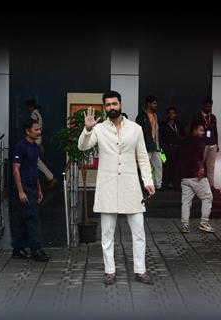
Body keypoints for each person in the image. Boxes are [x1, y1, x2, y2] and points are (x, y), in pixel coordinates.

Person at [78, 90, 155, 286]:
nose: (111, 107)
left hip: (131, 187)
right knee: (107, 233)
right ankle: (109, 271)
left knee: (138, 231)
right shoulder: (99, 129)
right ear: (104, 107)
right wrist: (87, 130)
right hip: (108, 187)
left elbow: (143, 158)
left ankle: (140, 270)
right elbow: (82, 147)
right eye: (108, 105)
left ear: (120, 104)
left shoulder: (135, 129)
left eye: (114, 103)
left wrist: (148, 181)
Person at [11, 119, 50, 262]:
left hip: (33, 186)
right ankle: (36, 250)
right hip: (24, 186)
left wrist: (39, 189)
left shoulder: (34, 146)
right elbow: (15, 169)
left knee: (24, 218)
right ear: (28, 131)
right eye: (36, 130)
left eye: (40, 129)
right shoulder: (20, 146)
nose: (39, 132)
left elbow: (34, 167)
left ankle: (18, 249)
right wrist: (21, 191)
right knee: (32, 218)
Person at [179, 123, 214, 233]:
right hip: (196, 176)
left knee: (186, 202)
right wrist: (201, 170)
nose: (203, 133)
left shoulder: (183, 141)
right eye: (201, 130)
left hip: (184, 177)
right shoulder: (199, 142)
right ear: (194, 130)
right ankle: (204, 223)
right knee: (207, 197)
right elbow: (200, 157)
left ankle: (185, 225)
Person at [190, 97, 221, 194]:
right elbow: (193, 131)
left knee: (211, 167)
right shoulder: (197, 117)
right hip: (201, 144)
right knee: (198, 165)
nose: (209, 107)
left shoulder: (213, 117)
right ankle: (196, 187)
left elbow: (215, 131)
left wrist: (217, 143)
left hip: (212, 144)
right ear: (203, 105)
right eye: (207, 106)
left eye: (210, 106)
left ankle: (210, 186)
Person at [25, 99, 58, 189]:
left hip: (35, 138)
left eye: (28, 107)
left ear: (31, 107)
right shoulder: (37, 114)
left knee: (35, 160)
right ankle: (49, 178)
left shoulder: (34, 115)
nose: (27, 109)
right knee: (34, 160)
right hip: (37, 138)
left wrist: (33, 140)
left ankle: (50, 178)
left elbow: (34, 130)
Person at [136, 95, 162, 190]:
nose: (156, 105)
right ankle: (145, 184)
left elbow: (157, 131)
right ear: (148, 104)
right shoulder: (141, 116)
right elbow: (138, 132)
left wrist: (159, 145)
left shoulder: (155, 116)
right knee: (145, 166)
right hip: (145, 146)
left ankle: (158, 185)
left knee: (159, 165)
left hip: (156, 146)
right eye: (154, 103)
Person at [159, 106, 185, 191]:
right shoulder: (163, 124)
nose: (171, 114)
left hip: (177, 148)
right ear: (167, 114)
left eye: (173, 113)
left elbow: (183, 135)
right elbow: (160, 137)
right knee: (165, 166)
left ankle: (176, 185)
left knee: (176, 167)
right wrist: (161, 148)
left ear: (176, 114)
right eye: (170, 113)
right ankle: (165, 184)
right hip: (166, 148)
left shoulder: (178, 124)